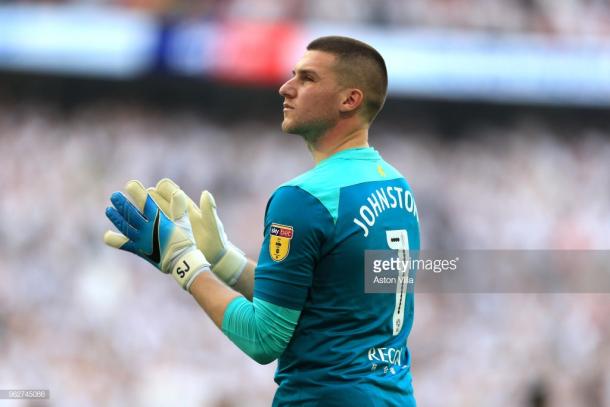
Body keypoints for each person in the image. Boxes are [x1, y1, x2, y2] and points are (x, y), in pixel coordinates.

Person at [104, 36, 420, 406]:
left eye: (308, 78)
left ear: (349, 100)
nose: (286, 88)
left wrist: (182, 260)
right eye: (293, 75)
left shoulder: (303, 199)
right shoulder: (398, 187)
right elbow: (324, 303)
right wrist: (226, 261)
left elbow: (263, 338)